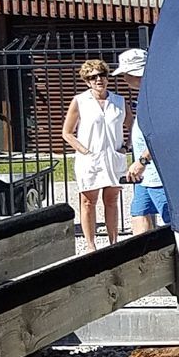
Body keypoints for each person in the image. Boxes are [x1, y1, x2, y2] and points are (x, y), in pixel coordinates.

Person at [62, 58, 126, 250]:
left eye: (102, 75)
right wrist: (84, 150)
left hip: (113, 157)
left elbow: (131, 125)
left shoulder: (118, 101)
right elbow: (67, 132)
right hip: (90, 158)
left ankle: (113, 242)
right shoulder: (80, 101)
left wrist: (125, 147)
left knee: (112, 200)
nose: (99, 79)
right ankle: (91, 245)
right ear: (87, 81)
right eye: (93, 77)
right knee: (88, 201)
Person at [117, 48, 171, 232]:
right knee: (138, 213)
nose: (123, 78)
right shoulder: (146, 94)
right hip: (146, 176)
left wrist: (142, 161)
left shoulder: (156, 97)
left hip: (158, 175)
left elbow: (161, 134)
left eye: (126, 73)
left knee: (171, 222)